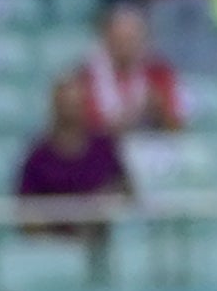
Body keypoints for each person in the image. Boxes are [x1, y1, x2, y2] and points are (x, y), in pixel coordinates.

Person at [13, 71, 132, 238]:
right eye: (65, 103)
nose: (70, 109)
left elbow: (125, 189)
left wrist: (103, 204)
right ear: (54, 106)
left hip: (101, 239)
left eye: (76, 103)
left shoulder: (105, 147)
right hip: (52, 245)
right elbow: (26, 206)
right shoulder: (38, 155)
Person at [82, 1, 188, 136]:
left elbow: (179, 127)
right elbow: (85, 131)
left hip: (154, 149)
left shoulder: (160, 73)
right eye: (120, 39)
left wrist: (160, 110)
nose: (127, 46)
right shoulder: (86, 77)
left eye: (132, 39)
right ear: (106, 39)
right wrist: (133, 116)